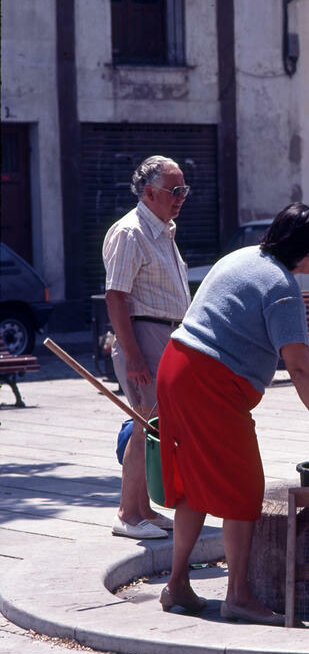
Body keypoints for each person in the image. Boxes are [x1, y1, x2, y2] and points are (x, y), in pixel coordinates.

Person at [156, 202, 309, 624]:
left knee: (195, 482)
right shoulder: (282, 287)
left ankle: (176, 585)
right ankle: (238, 596)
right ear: (300, 248)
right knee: (244, 489)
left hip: (175, 366)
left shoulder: (241, 257)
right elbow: (300, 369)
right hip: (211, 383)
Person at [103, 156, 192, 539]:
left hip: (167, 336)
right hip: (145, 336)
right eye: (175, 190)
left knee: (154, 425)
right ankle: (128, 514)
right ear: (151, 192)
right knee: (144, 424)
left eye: (184, 190)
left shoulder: (162, 230)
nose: (181, 198)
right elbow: (116, 296)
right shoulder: (131, 231)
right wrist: (134, 355)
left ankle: (143, 509)